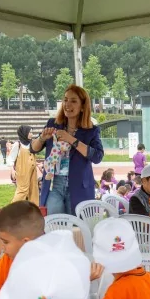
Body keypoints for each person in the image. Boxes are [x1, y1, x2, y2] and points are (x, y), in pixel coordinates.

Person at [31, 85, 106, 215]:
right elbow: (33, 148)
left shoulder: (91, 131)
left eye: (73, 101)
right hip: (54, 184)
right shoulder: (52, 124)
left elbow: (97, 157)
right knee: (54, 225)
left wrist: (71, 139)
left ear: (82, 106)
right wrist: (42, 138)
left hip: (79, 186)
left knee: (77, 228)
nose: (67, 104)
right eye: (65, 100)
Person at [10, 126, 40, 205]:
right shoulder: (18, 144)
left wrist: (37, 164)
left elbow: (31, 158)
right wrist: (12, 170)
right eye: (30, 132)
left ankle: (33, 209)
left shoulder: (31, 144)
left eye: (32, 132)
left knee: (34, 189)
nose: (31, 134)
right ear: (24, 133)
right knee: (23, 190)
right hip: (22, 170)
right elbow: (11, 158)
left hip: (33, 171)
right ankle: (13, 208)